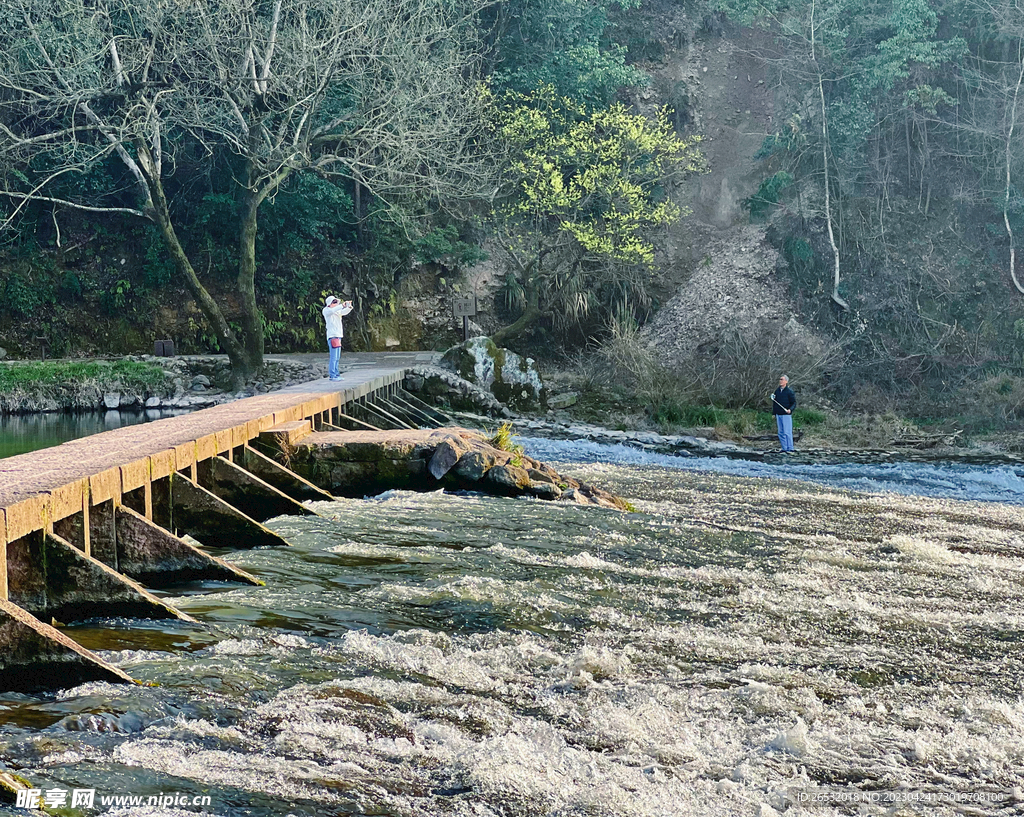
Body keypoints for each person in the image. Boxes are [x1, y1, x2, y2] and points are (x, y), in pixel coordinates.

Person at [322, 295, 353, 381]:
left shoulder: (337, 310)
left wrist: (348, 307)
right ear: (329, 303)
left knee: (337, 357)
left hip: (338, 335)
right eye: (334, 302)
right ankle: (332, 375)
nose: (336, 303)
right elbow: (332, 310)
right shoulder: (326, 310)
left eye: (336, 302)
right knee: (333, 357)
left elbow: (344, 312)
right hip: (332, 336)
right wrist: (342, 305)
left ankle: (336, 374)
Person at [771, 374, 796, 452]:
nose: (780, 381)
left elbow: (794, 403)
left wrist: (790, 410)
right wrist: (774, 413)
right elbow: (775, 403)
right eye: (780, 379)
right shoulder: (777, 391)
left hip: (786, 415)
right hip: (779, 414)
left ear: (786, 381)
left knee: (787, 432)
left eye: (782, 379)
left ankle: (790, 448)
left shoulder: (789, 392)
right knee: (781, 432)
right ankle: (784, 448)